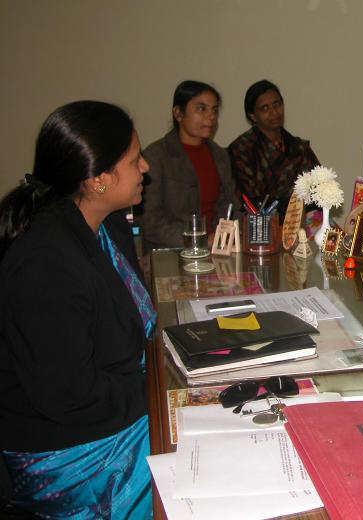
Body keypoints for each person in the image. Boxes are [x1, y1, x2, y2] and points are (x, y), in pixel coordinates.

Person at [0, 101, 155, 517]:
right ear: (98, 179)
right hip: (73, 450)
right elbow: (69, 396)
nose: (145, 167)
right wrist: (159, 391)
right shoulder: (45, 261)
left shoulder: (105, 226)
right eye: (134, 160)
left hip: (116, 404)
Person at [141, 80, 237, 249]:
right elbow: (150, 223)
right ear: (178, 113)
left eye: (214, 110)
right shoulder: (155, 156)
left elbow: (231, 207)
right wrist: (200, 240)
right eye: (201, 109)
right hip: (171, 251)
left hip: (218, 249)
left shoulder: (220, 155)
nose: (211, 116)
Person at [228, 79, 320, 220]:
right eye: (265, 108)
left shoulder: (299, 147)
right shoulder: (241, 149)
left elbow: (320, 188)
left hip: (304, 219)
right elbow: (250, 201)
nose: (274, 112)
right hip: (262, 225)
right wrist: (292, 207)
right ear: (252, 115)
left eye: (277, 104)